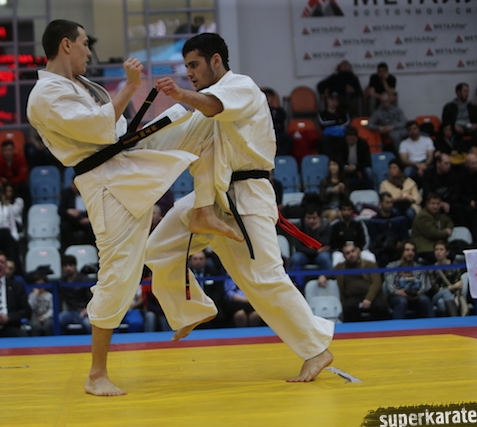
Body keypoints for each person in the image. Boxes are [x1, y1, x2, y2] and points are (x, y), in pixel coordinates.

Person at [26, 20, 234, 396]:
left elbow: (116, 127)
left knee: (202, 122)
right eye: (85, 44)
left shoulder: (80, 84)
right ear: (66, 45)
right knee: (119, 273)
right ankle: (96, 375)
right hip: (106, 182)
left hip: (127, 157)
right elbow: (96, 128)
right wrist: (130, 86)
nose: (89, 51)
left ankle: (204, 209)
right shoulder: (45, 94)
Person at [147, 33, 334, 388]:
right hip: (212, 196)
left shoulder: (241, 88)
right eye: (186, 67)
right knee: (158, 247)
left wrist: (181, 94)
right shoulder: (204, 108)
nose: (190, 73)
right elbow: (179, 135)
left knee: (264, 278)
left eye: (194, 65)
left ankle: (316, 349)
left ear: (216, 60)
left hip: (247, 194)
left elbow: (213, 106)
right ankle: (193, 309)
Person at [318, 242, 388, 322]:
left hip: (371, 295)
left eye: (353, 251)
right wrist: (323, 276)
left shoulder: (369, 265)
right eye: (347, 253)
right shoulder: (340, 267)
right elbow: (328, 273)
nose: (351, 254)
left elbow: (376, 283)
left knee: (381, 306)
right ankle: (357, 329)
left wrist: (368, 299)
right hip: (353, 297)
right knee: (348, 307)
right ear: (344, 256)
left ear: (357, 251)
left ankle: (377, 328)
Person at [383, 241, 434, 319]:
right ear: (401, 252)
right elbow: (390, 287)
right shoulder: (391, 266)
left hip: (416, 296)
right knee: (402, 301)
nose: (410, 252)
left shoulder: (420, 267)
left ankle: (432, 324)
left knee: (425, 300)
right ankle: (397, 326)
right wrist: (402, 293)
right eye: (407, 250)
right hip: (397, 296)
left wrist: (417, 293)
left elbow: (424, 286)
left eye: (413, 250)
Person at [421, 153, 464, 226]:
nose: (449, 166)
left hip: (449, 201)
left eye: (449, 163)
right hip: (433, 201)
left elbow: (456, 192)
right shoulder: (429, 174)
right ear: (438, 163)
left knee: (458, 208)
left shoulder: (453, 175)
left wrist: (448, 203)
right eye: (446, 163)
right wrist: (439, 203)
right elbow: (427, 191)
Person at [410, 193, 454, 264]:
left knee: (451, 252)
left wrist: (449, 228)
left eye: (438, 204)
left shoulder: (438, 214)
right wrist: (446, 232)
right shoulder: (423, 216)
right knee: (449, 255)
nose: (435, 206)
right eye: (433, 203)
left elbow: (449, 221)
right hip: (424, 248)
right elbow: (434, 234)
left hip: (436, 246)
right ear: (427, 204)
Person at [290, 204, 333, 272]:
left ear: (320, 218)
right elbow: (298, 247)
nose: (311, 221)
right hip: (305, 254)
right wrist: (316, 251)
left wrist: (315, 230)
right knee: (295, 258)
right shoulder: (299, 226)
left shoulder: (326, 226)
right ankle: (291, 278)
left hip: (321, 254)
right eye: (308, 218)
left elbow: (325, 244)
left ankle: (328, 277)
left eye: (314, 218)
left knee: (325, 258)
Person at [379, 158, 422, 225]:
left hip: (409, 205)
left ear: (400, 169)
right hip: (393, 205)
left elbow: (417, 197)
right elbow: (383, 197)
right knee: (395, 212)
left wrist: (409, 199)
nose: (392, 170)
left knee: (410, 213)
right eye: (390, 168)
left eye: (394, 168)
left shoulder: (410, 182)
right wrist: (395, 199)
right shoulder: (384, 184)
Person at [58, 255, 92, 334]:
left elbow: (92, 297)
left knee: (88, 324)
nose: (68, 268)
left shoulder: (85, 279)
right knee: (58, 320)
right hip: (71, 312)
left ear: (75, 266)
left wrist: (88, 309)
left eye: (70, 265)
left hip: (85, 312)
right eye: (65, 266)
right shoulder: (61, 281)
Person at [428, 241, 463, 317]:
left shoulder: (455, 266)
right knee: (445, 293)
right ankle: (455, 318)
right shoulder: (432, 269)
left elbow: (459, 285)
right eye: (436, 250)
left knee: (441, 302)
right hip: (437, 295)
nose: (438, 252)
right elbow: (436, 289)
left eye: (441, 249)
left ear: (447, 252)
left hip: (453, 295)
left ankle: (447, 321)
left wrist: (457, 296)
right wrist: (453, 287)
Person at [59, 177, 94, 248]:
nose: (73, 187)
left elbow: (97, 210)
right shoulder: (66, 193)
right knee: (64, 226)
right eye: (72, 184)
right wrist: (68, 211)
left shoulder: (91, 193)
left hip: (87, 219)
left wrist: (90, 219)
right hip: (72, 220)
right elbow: (60, 210)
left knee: (93, 228)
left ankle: (89, 248)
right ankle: (71, 248)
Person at [398, 120, 434, 185]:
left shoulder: (427, 140)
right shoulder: (404, 143)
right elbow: (404, 160)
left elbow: (430, 157)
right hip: (412, 165)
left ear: (418, 129)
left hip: (426, 163)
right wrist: (417, 165)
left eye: (414, 128)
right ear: (407, 131)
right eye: (410, 129)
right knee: (407, 172)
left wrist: (424, 166)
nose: (412, 131)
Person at [317, 92, 350, 159]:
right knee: (324, 140)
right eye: (332, 100)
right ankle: (329, 160)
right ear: (328, 100)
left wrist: (335, 124)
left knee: (344, 141)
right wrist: (336, 122)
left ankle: (341, 161)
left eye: (336, 100)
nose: (334, 102)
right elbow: (322, 123)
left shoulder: (343, 112)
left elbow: (347, 122)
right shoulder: (322, 113)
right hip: (328, 135)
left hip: (341, 134)